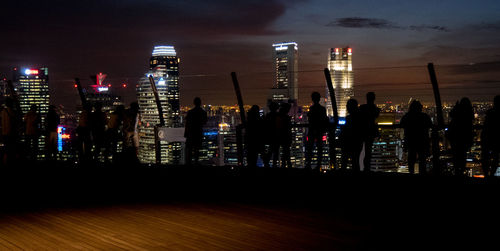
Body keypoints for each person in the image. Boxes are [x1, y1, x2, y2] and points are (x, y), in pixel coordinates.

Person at [400, 100, 433, 175]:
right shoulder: (424, 116)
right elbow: (430, 125)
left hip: (411, 140)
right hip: (422, 140)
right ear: (420, 108)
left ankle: (411, 172)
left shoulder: (407, 116)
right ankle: (422, 173)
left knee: (411, 158)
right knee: (422, 159)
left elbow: (401, 124)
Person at [447, 97, 474, 176]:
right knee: (463, 156)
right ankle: (461, 171)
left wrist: (456, 107)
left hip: (455, 137)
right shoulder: (469, 113)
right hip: (465, 137)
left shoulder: (457, 112)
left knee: (455, 155)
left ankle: (457, 171)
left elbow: (451, 114)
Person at [305, 92, 328, 170]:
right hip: (319, 130)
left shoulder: (312, 108)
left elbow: (309, 117)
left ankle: (308, 164)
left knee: (310, 148)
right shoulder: (322, 109)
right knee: (319, 148)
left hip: (312, 130)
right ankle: (318, 165)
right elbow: (324, 119)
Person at [340, 99, 363, 171]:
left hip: (348, 143)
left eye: (348, 106)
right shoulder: (360, 117)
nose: (347, 108)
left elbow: (346, 131)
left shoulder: (349, 118)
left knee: (345, 160)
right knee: (355, 161)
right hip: (357, 142)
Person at [359, 92, 380, 172]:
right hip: (370, 131)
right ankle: (366, 168)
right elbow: (376, 115)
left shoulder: (362, 107)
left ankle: (362, 168)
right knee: (368, 151)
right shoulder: (375, 108)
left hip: (362, 131)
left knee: (359, 151)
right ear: (374, 98)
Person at [184, 97, 207, 165]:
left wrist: (186, 134)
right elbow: (204, 122)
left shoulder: (190, 112)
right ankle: (196, 163)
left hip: (191, 133)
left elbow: (187, 124)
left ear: (194, 103)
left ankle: (189, 163)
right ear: (200, 103)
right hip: (198, 133)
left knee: (190, 150)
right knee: (197, 150)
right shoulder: (203, 112)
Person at [481, 95, 500, 177]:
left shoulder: (490, 113)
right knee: (496, 158)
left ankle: (486, 174)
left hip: (488, 138)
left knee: (485, 157)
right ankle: (491, 174)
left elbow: (486, 126)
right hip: (497, 139)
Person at [1, 98, 19, 165]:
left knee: (6, 150)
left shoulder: (2, 112)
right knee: (12, 150)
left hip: (4, 133)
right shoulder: (12, 111)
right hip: (11, 133)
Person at [263, 101, 280, 168]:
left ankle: (267, 162)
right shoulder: (278, 115)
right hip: (276, 135)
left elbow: (266, 125)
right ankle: (274, 164)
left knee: (271, 150)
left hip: (270, 135)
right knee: (275, 150)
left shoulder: (268, 115)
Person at [276, 102, 292, 168]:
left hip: (279, 136)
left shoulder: (279, 115)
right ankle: (287, 164)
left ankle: (283, 164)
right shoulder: (285, 117)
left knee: (282, 151)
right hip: (285, 136)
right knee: (286, 151)